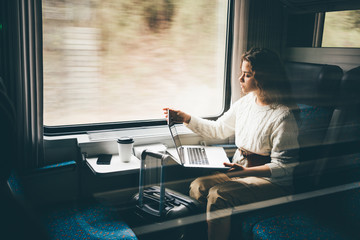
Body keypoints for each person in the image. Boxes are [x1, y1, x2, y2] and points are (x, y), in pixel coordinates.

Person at [163, 48, 299, 240]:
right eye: (241, 73)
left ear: (264, 78)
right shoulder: (245, 104)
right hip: (241, 170)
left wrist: (245, 172)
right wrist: (186, 118)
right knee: (198, 186)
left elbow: (284, 167)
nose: (240, 79)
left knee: (219, 195)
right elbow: (218, 129)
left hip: (273, 182)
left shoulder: (282, 116)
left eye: (247, 75)